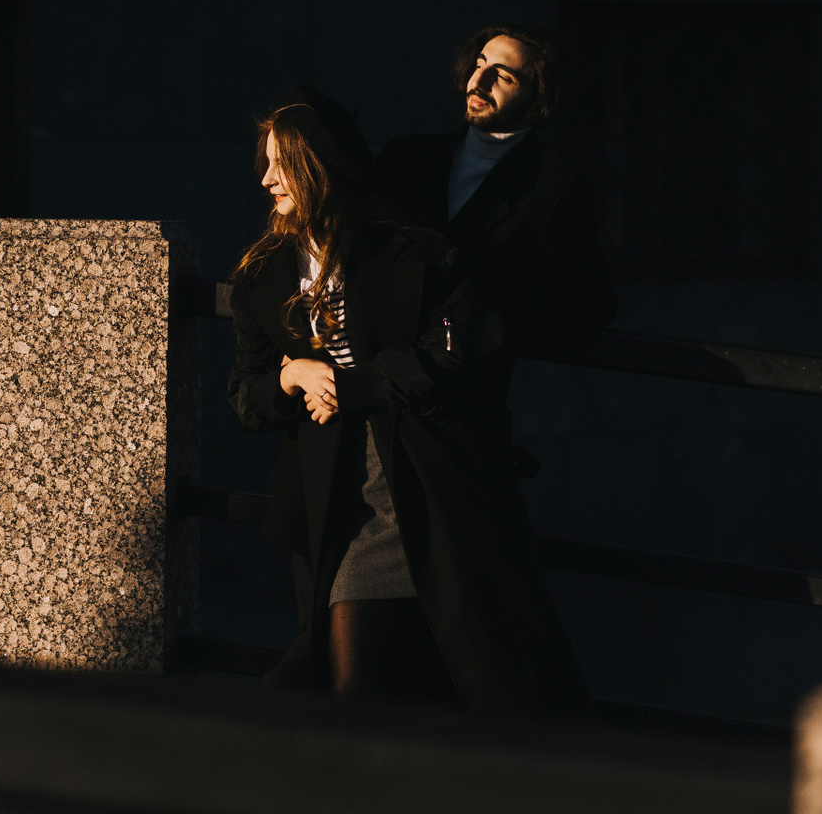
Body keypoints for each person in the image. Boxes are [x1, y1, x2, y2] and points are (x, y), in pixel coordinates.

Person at [228, 87, 587, 710]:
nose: (266, 179)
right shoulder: (263, 275)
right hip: (333, 497)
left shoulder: (415, 252)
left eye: (282, 163)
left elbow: (450, 359)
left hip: (422, 483)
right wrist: (292, 378)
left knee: (393, 678)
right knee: (358, 679)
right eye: (265, 163)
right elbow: (245, 394)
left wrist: (347, 386)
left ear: (321, 165)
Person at [376, 24, 616, 394]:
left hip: (464, 396)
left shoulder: (556, 183)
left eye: (502, 76)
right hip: (375, 380)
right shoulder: (406, 157)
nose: (478, 82)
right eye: (479, 65)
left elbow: (592, 302)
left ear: (537, 93)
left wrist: (504, 324)